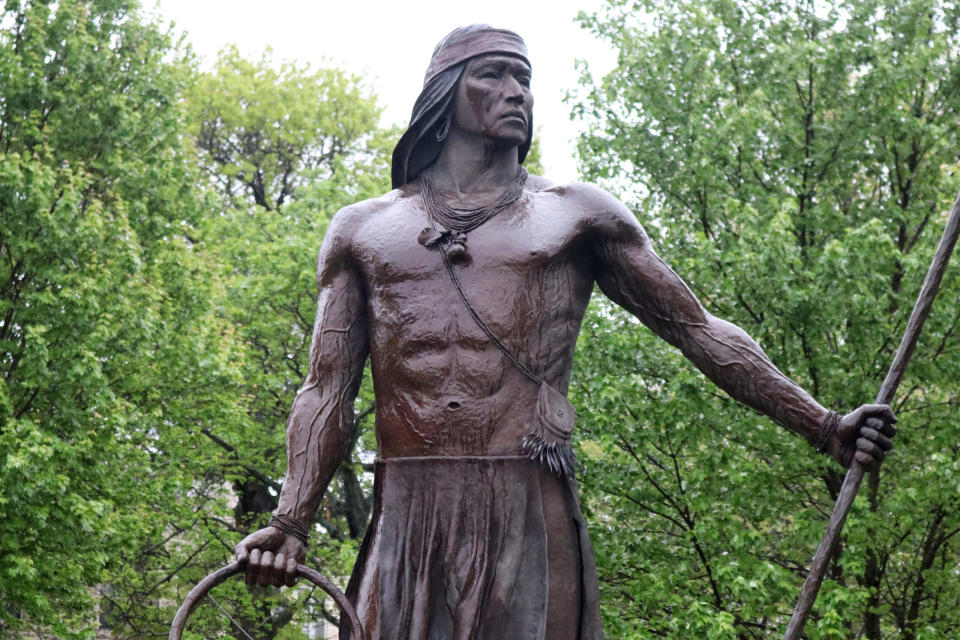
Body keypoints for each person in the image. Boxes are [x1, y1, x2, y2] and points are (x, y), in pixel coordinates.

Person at [235, 25, 896, 640]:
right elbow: (324, 389)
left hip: (528, 507)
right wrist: (291, 521)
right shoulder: (363, 229)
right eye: (492, 75)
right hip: (407, 506)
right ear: (444, 92)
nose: (516, 92)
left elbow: (694, 328)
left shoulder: (575, 216)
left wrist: (823, 425)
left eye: (523, 79)